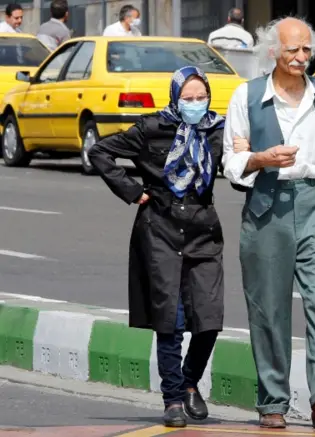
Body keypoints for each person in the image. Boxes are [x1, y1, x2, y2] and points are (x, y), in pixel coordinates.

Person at [222, 16, 315, 430]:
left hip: (312, 200)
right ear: (273, 51)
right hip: (266, 202)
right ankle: (272, 401)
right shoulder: (247, 96)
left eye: (307, 49)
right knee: (269, 308)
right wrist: (259, 159)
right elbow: (232, 163)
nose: (301, 57)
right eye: (293, 50)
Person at [88, 66, 226, 428]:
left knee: (209, 317)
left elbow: (240, 166)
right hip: (160, 226)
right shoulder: (152, 128)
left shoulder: (218, 129)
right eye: (188, 98)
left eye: (202, 97)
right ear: (174, 98)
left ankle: (190, 380)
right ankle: (173, 399)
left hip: (203, 228)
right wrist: (134, 192)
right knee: (171, 319)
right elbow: (101, 151)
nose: (196, 104)